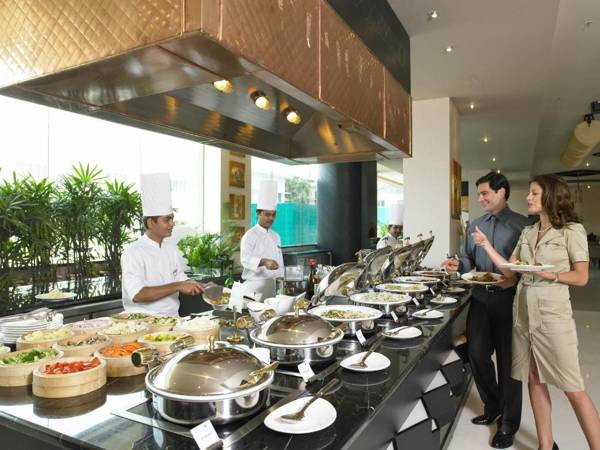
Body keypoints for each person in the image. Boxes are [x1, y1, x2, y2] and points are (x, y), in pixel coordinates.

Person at [471, 174, 600, 450]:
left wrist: (551, 275)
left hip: (553, 316)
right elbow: (510, 270)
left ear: (550, 196)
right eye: (529, 193)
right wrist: (486, 245)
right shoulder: (528, 232)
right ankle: (545, 445)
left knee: (572, 387)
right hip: (522, 313)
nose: (528, 197)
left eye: (534, 193)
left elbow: (581, 277)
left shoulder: (571, 230)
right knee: (532, 378)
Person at [442, 172, 530, 449]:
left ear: (501, 192)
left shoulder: (523, 226)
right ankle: (492, 406)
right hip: (480, 298)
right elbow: (469, 259)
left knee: (508, 364)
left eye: (484, 193)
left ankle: (508, 424)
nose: (479, 198)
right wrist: (459, 266)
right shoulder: (475, 225)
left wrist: (514, 278)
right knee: (477, 354)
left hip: (509, 300)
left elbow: (527, 266)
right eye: (479, 194)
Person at [121, 173, 209, 316]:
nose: (172, 224)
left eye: (172, 219)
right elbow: (138, 294)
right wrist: (178, 286)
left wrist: (204, 286)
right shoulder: (133, 252)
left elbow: (180, 278)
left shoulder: (170, 249)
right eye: (167, 220)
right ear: (151, 222)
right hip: (144, 322)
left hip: (173, 319)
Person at [240, 180, 284, 300]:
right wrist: (264, 262)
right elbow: (244, 259)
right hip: (254, 288)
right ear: (258, 213)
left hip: (274, 287)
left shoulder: (276, 236)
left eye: (273, 215)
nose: (271, 218)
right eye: (267, 214)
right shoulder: (249, 235)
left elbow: (280, 263)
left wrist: (282, 281)